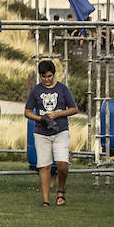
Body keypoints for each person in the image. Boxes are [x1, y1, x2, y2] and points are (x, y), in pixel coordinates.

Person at [24, 59, 78, 207]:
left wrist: (57, 114)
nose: (47, 80)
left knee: (62, 164)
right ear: (40, 76)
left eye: (49, 76)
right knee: (44, 166)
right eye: (44, 77)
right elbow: (27, 112)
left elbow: (74, 109)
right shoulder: (35, 90)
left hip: (60, 130)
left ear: (53, 75)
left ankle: (61, 191)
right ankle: (46, 200)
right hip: (41, 133)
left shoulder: (62, 89)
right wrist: (41, 118)